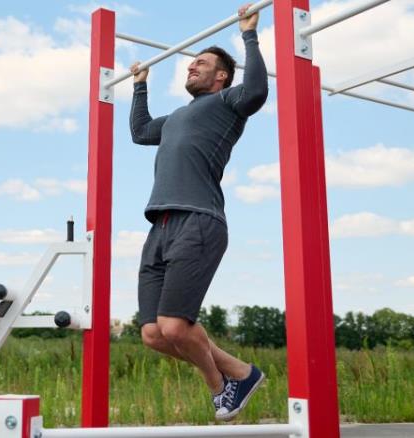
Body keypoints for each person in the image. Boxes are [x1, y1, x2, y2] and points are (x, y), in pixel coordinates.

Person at [129, 3, 268, 421]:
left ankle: (222, 388)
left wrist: (249, 34)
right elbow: (139, 132)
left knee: (175, 326)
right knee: (154, 334)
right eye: (190, 64)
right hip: (161, 225)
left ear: (221, 75)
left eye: (200, 64)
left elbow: (258, 90)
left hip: (199, 220)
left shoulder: (228, 103)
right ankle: (242, 373)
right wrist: (139, 85)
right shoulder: (175, 119)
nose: (191, 68)